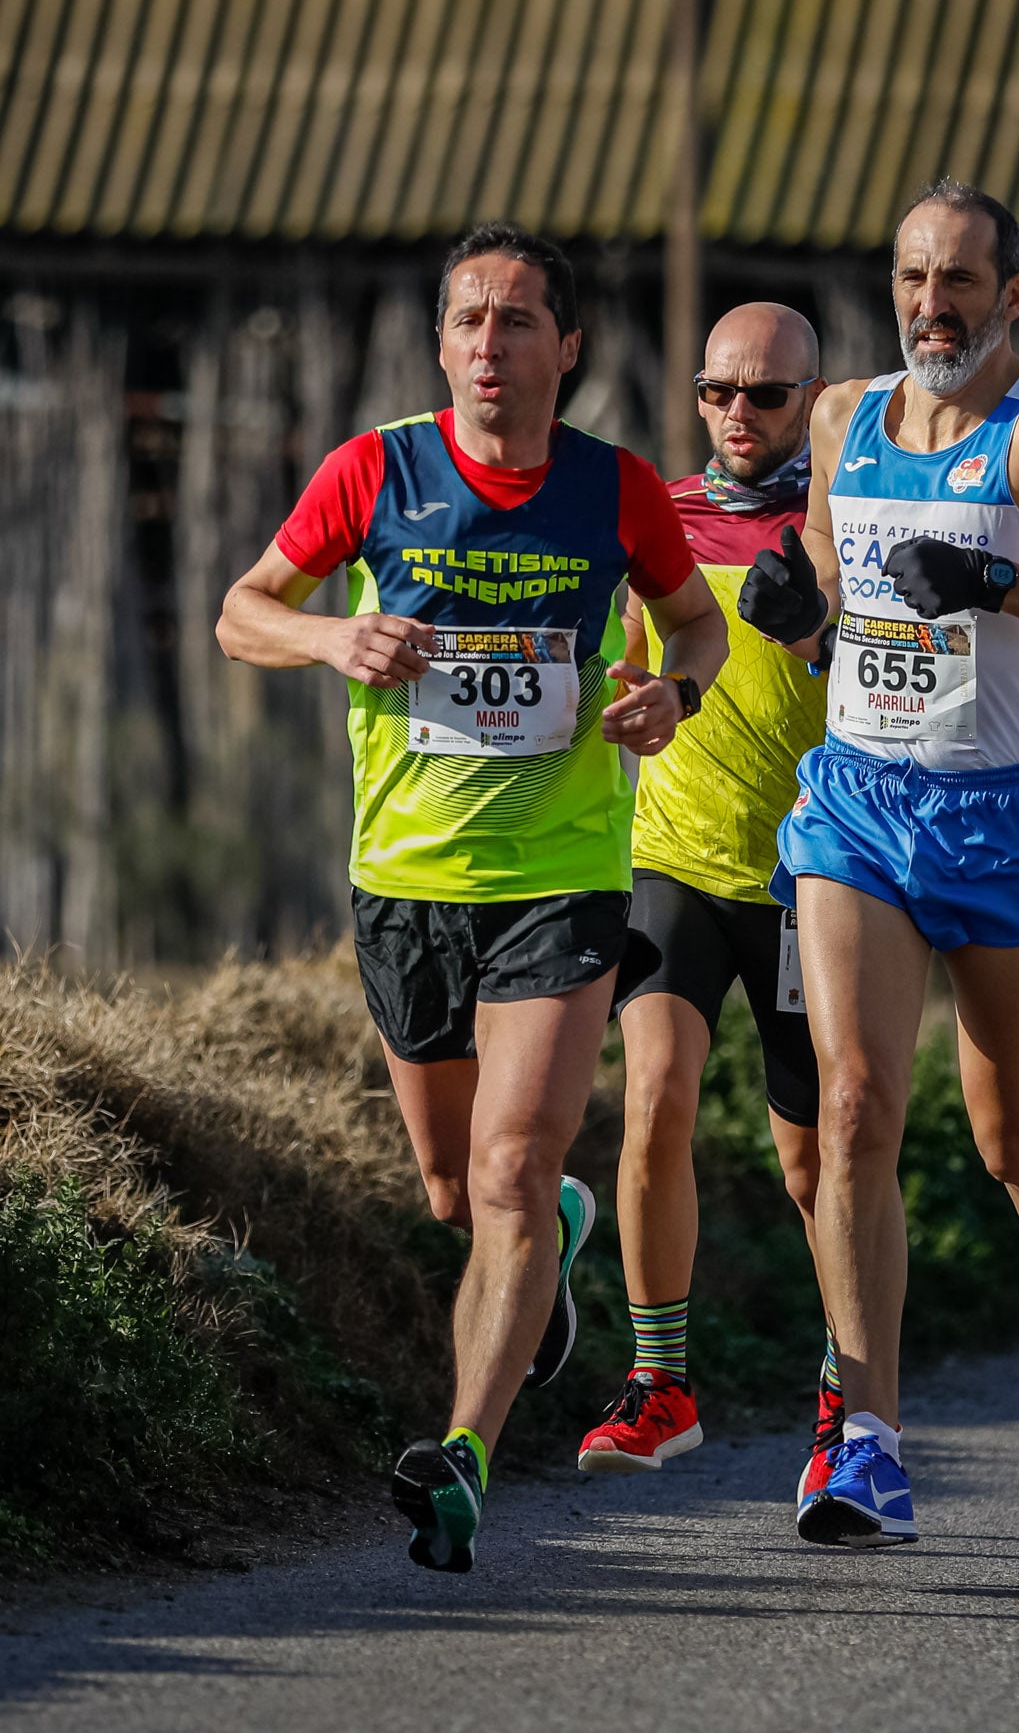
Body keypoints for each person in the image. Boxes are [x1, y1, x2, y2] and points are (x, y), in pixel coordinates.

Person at [217, 223, 727, 1572]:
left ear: (568, 347)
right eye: (464, 322)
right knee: (454, 1191)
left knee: (508, 1166)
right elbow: (241, 609)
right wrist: (334, 632)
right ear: (439, 343)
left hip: (562, 881)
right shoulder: (375, 469)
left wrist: (676, 693)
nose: (485, 347)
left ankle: (465, 1459)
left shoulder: (618, 490)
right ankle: (557, 1232)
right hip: (405, 883)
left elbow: (695, 622)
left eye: (514, 323)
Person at [735, 180, 1019, 1548]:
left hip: (1004, 815)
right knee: (856, 1108)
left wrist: (999, 584)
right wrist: (796, 600)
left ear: (1014, 296)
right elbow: (828, 564)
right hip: (860, 804)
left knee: (1012, 1140)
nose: (934, 305)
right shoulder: (840, 418)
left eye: (962, 283)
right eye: (914, 279)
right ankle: (863, 1440)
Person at [575, 303, 836, 1494]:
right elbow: (625, 662)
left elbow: (908, 681)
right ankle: (660, 1383)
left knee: (813, 1163)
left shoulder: (844, 527)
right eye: (717, 391)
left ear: (812, 402)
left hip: (812, 877)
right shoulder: (659, 521)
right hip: (669, 856)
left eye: (767, 396)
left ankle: (850, 1393)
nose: (739, 414)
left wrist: (826, 634)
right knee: (656, 1102)